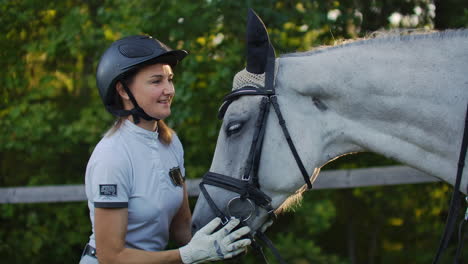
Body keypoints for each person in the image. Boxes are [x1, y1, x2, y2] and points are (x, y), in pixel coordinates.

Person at [80, 35, 251, 264]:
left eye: (170, 79)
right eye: (156, 81)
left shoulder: (171, 143)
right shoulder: (112, 156)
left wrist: (224, 240)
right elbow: (111, 256)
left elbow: (182, 230)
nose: (169, 89)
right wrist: (187, 256)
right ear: (122, 90)